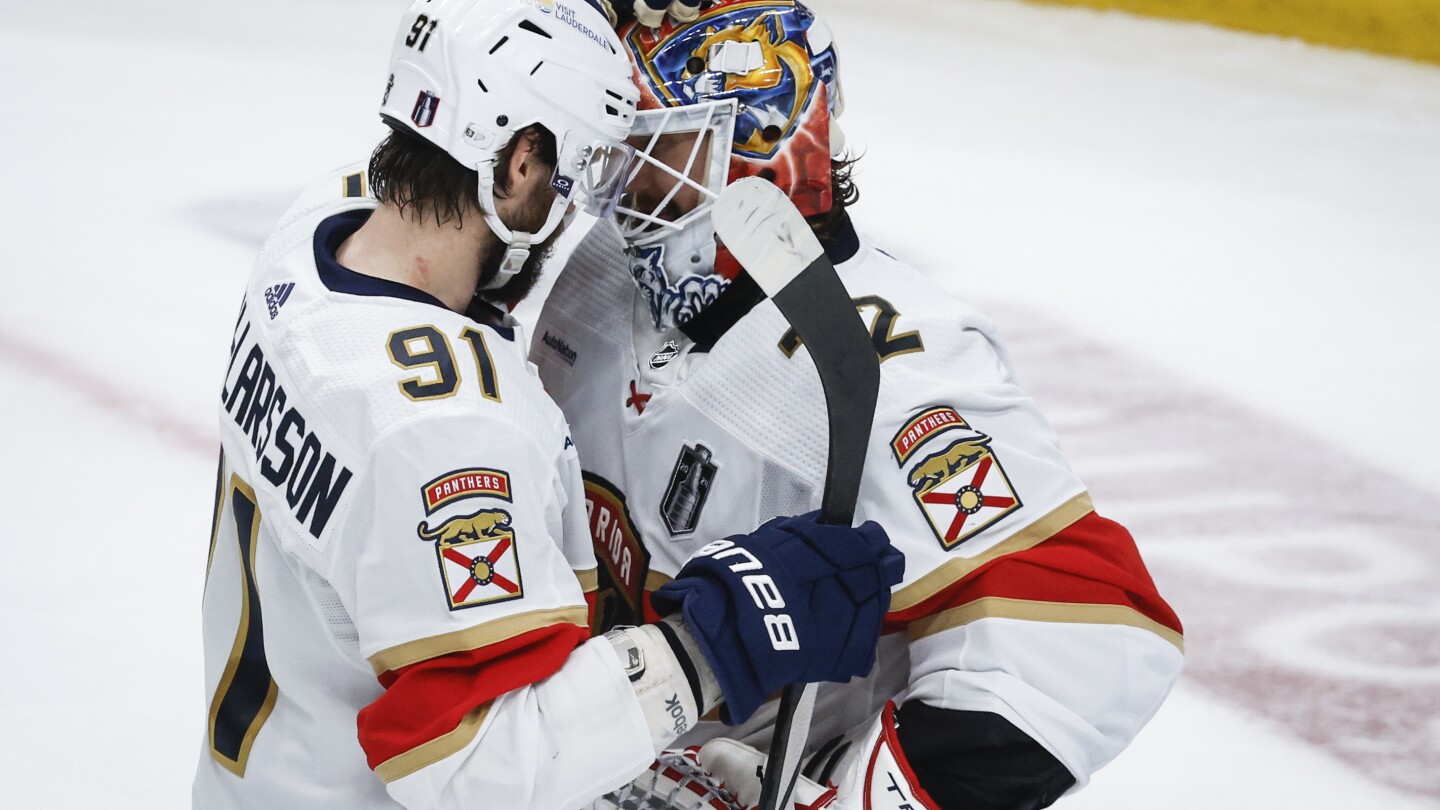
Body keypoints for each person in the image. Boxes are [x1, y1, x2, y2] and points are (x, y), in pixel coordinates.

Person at [194, 1, 902, 807]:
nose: (584, 211)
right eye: (585, 168)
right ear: (521, 162)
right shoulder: (448, 431)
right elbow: (476, 766)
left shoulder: (318, 229)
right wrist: (718, 639)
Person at [531, 1, 1186, 807]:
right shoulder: (598, 272)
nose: (624, 174)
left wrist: (850, 798)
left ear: (757, 151)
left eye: (659, 144)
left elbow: (1088, 642)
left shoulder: (899, 372)